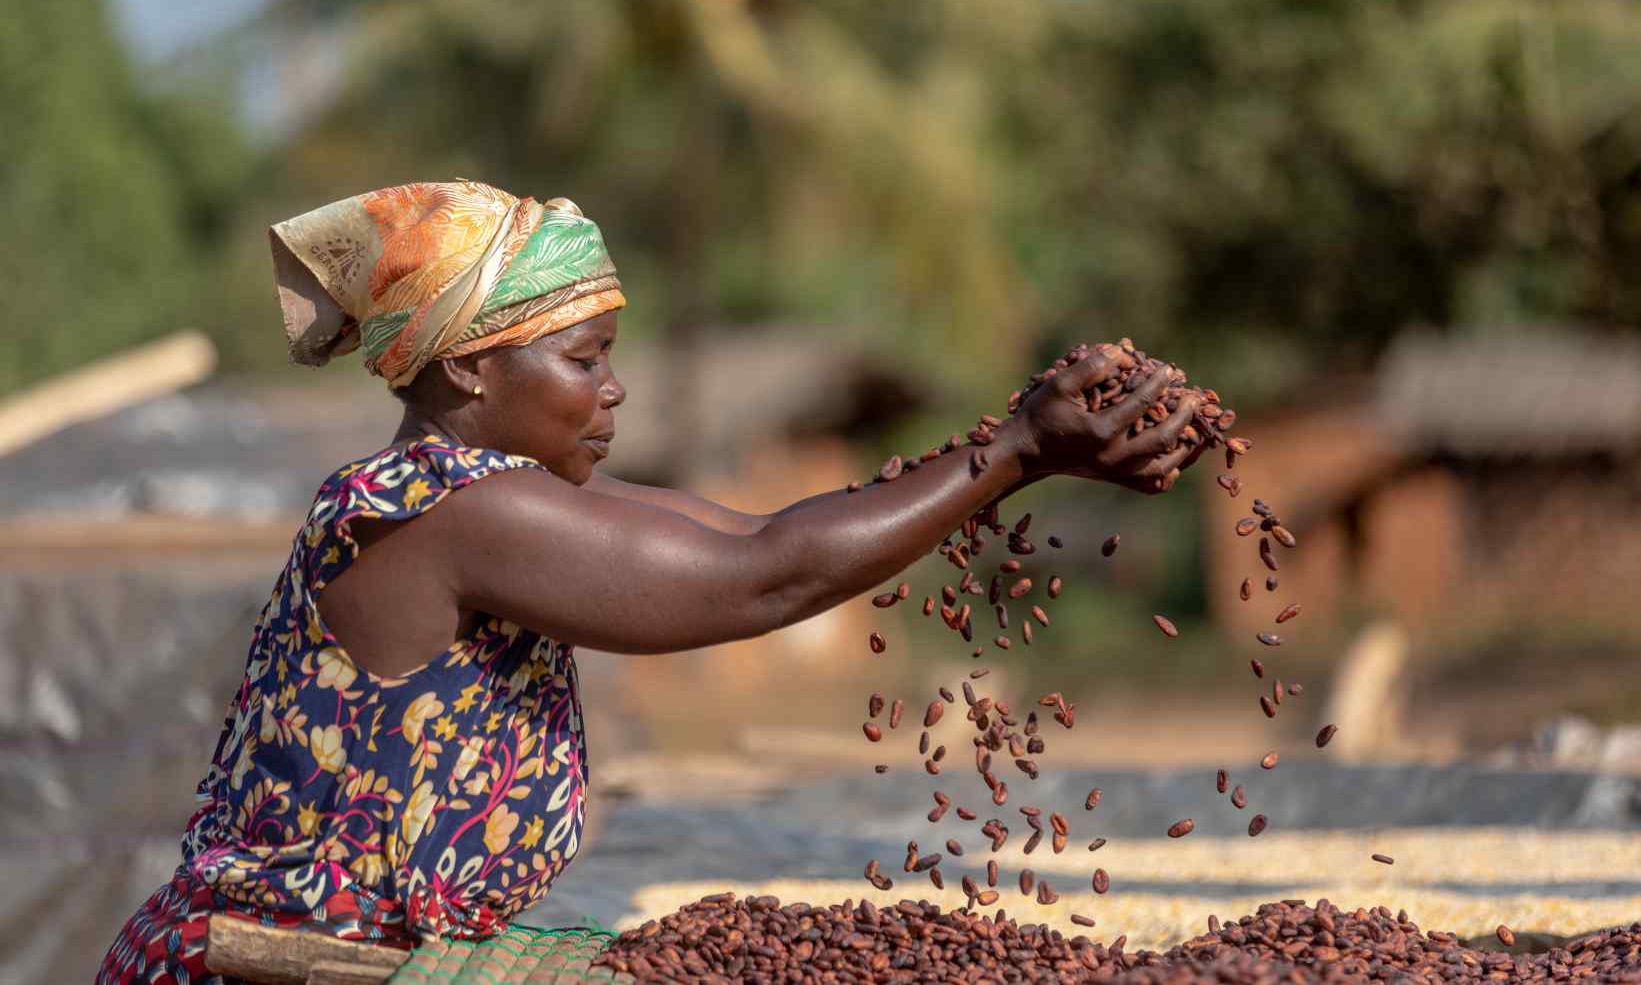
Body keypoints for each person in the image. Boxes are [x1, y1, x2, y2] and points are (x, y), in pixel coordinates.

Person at [98, 179, 1200, 983]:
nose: (613, 392)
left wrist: (1018, 452)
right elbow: (759, 580)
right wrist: (1014, 451)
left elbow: (764, 531)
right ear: (471, 364)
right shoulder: (457, 509)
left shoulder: (497, 493)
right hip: (276, 965)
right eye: (583, 361)